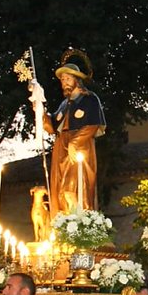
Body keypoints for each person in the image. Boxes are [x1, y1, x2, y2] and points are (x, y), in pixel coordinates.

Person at [42, 57, 105, 218]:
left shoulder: (90, 99)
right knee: (58, 187)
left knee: (73, 186)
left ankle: (79, 221)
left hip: (80, 144)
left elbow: (92, 125)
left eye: (68, 78)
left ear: (77, 80)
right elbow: (52, 126)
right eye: (62, 80)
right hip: (61, 144)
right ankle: (63, 222)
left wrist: (74, 143)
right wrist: (39, 109)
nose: (64, 82)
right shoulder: (64, 104)